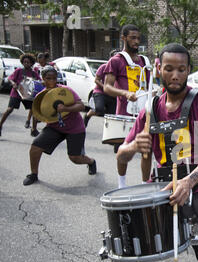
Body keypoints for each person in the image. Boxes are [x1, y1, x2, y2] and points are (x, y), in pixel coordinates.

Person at [116, 43, 198, 262]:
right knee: (125, 237)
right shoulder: (149, 108)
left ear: (189, 70)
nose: (175, 75)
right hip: (162, 185)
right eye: (169, 69)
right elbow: (121, 155)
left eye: (181, 69)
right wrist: (132, 146)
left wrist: (189, 181)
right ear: (159, 69)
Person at [22, 66, 96, 186]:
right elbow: (39, 113)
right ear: (43, 79)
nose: (52, 81)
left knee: (75, 158)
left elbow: (81, 106)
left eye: (54, 78)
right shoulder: (41, 95)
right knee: (35, 147)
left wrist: (65, 108)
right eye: (48, 78)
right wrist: (37, 121)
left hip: (74, 128)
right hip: (54, 127)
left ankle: (91, 162)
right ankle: (33, 174)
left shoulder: (65, 90)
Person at [103, 24, 151, 188]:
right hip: (124, 112)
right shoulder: (116, 60)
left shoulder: (145, 61)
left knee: (147, 150)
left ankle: (145, 184)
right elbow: (107, 87)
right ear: (123, 38)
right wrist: (125, 93)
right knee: (123, 151)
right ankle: (121, 185)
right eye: (133, 38)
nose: (136, 41)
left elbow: (149, 85)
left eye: (138, 38)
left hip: (144, 113)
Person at [0, 53, 40, 137]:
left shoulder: (33, 74)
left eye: (28, 62)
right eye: (24, 62)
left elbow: (39, 82)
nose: (26, 64)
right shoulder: (19, 70)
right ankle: (0, 125)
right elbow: (10, 78)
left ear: (31, 63)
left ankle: (34, 129)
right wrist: (13, 84)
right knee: (9, 109)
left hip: (27, 94)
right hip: (16, 93)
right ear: (22, 62)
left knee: (34, 110)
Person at [83, 50, 119, 128]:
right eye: (115, 57)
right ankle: (87, 115)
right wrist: (105, 87)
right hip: (100, 92)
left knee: (112, 116)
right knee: (99, 109)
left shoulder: (120, 69)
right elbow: (96, 80)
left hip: (112, 95)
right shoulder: (104, 67)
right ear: (111, 58)